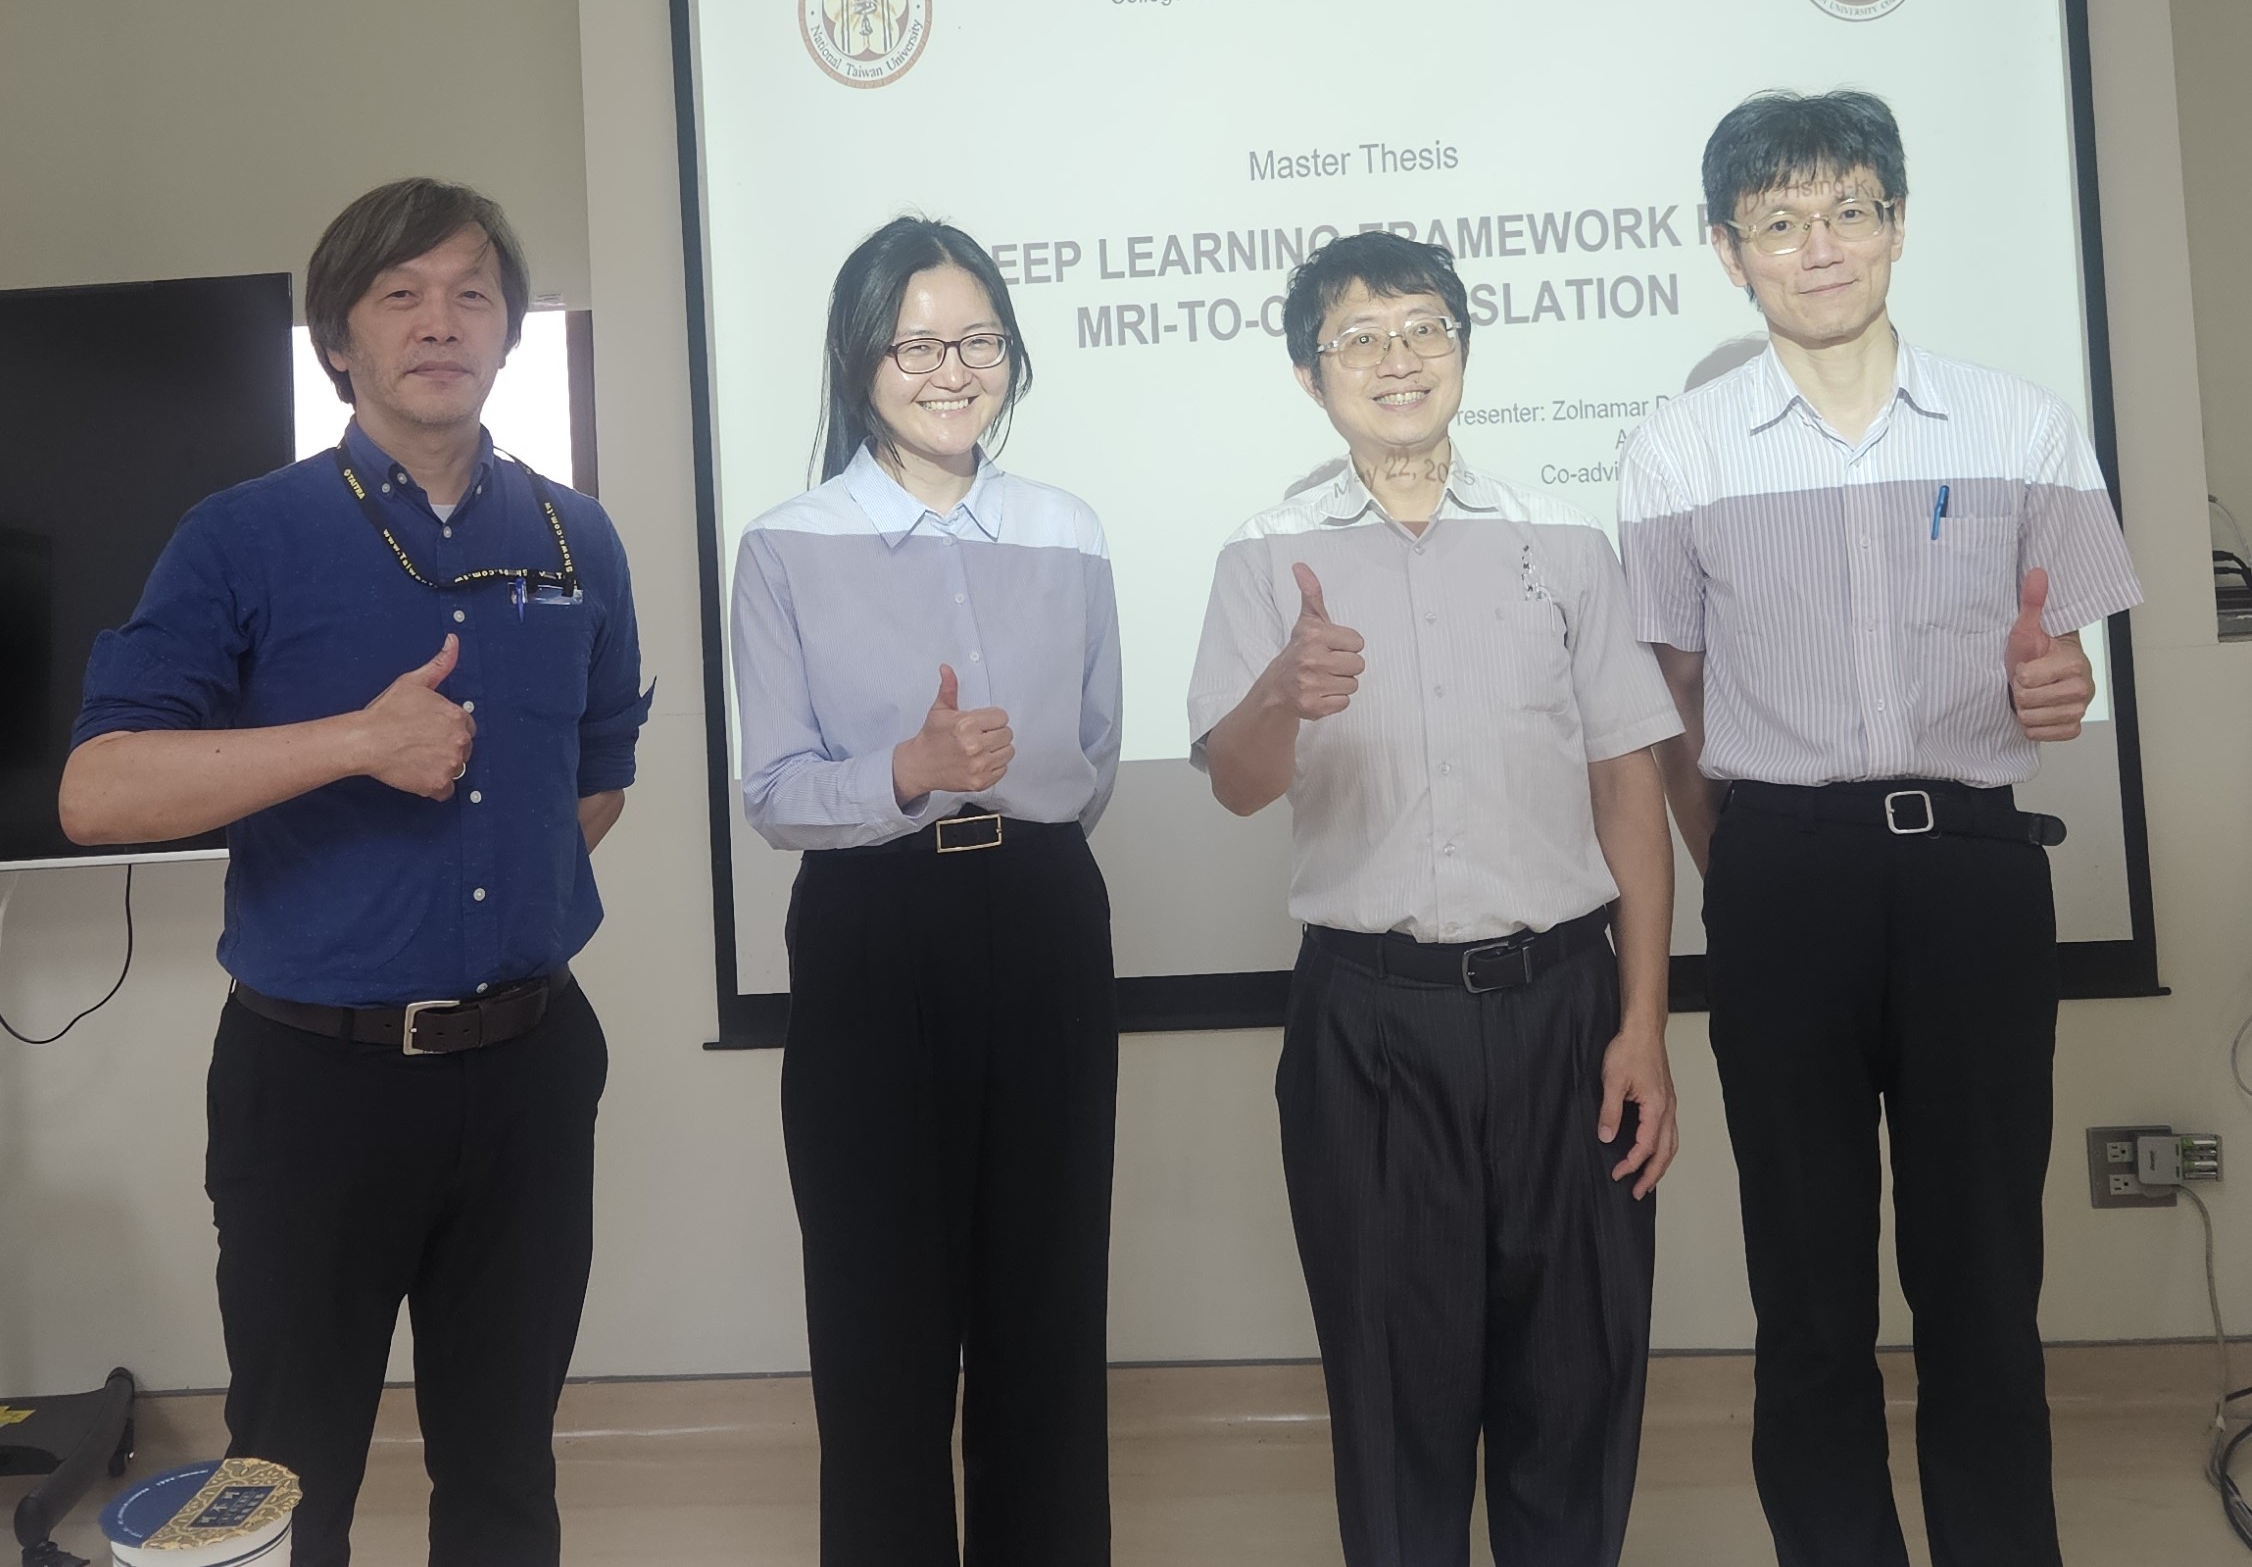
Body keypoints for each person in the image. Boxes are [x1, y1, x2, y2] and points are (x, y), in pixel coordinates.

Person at [57, 178, 649, 1567]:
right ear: (341, 341)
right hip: (314, 1088)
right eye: (402, 295)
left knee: (506, 1472)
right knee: (283, 1482)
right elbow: (96, 791)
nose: (440, 322)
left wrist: (486, 900)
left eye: (471, 294)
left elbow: (601, 774)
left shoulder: (578, 539)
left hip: (528, 1069)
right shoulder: (243, 535)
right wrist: (355, 744)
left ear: (509, 331)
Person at [1617, 89, 2143, 1567]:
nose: (1820, 244)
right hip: (1783, 874)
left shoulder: (2021, 423)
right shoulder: (1680, 452)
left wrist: (2060, 683)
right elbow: (1672, 701)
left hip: (1975, 868)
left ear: (1897, 221)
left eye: (1849, 207)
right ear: (1730, 252)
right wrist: (1757, 871)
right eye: (1779, 221)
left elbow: (2065, 665)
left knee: (1985, 1280)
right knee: (1806, 1289)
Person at [1187, 230, 1683, 1567]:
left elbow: (1631, 794)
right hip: (1372, 1026)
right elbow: (1236, 785)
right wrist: (1283, 691)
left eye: (1423, 328)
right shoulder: (1266, 552)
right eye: (1359, 338)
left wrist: (1643, 1025)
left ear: (1463, 347)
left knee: (1574, 1393)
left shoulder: (1563, 541)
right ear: (1309, 376)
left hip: (1567, 1014)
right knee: (1396, 1407)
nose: (1396, 358)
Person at [730, 217, 1122, 1567]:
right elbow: (777, 790)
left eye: (979, 340)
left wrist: (1003, 809)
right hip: (872, 933)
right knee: (879, 1330)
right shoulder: (786, 542)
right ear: (861, 358)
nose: (953, 369)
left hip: (1047, 921)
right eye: (917, 342)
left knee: (1049, 1317)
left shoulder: (1068, 532)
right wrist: (908, 770)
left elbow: (1094, 752)